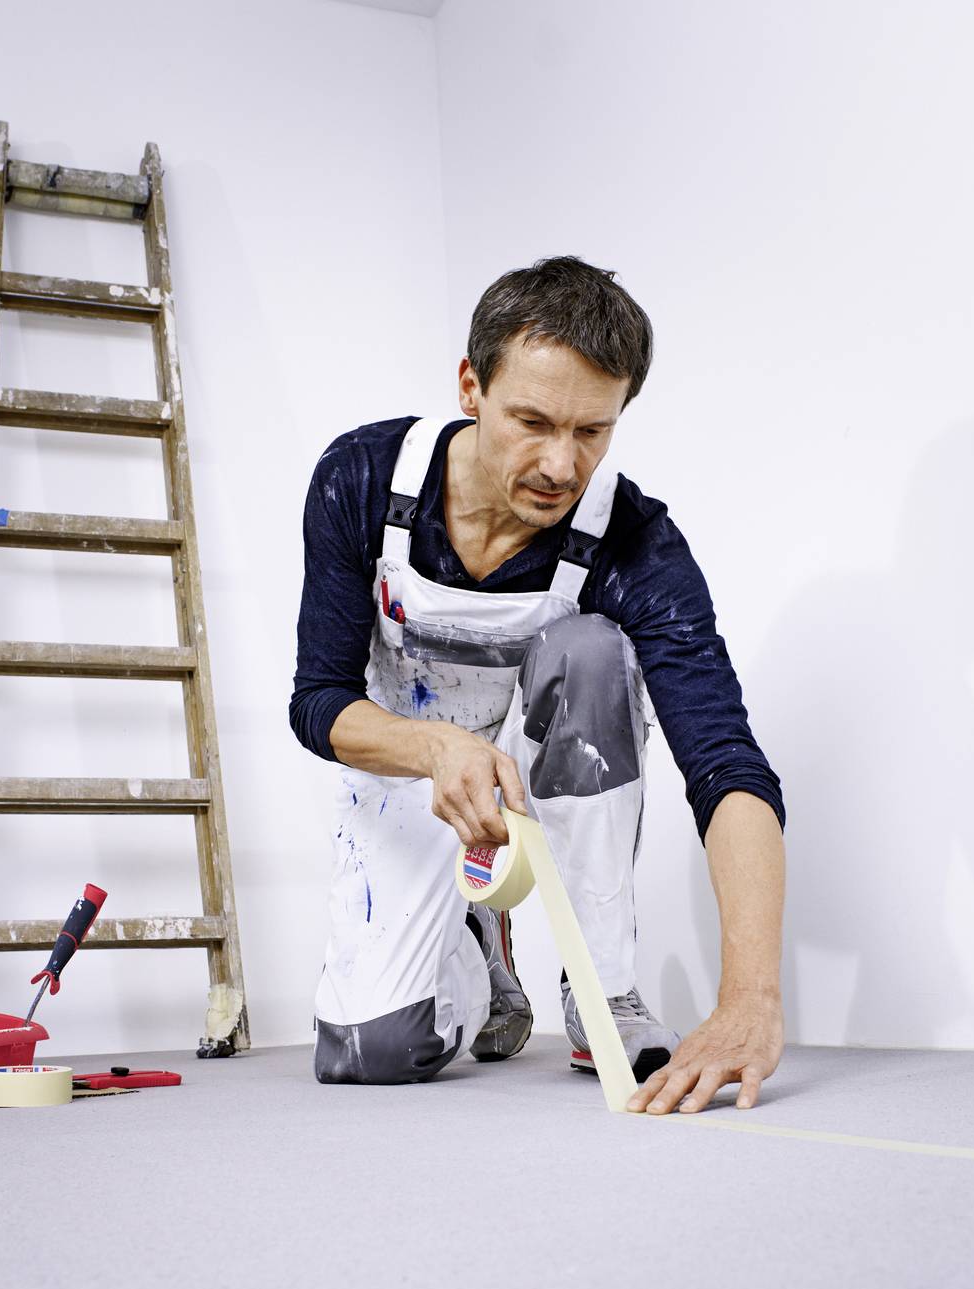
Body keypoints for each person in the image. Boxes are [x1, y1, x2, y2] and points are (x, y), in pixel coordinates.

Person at [288, 256, 786, 1114]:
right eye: (532, 421)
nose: (562, 463)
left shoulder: (633, 541)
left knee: (594, 648)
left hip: (543, 766)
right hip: (411, 759)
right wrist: (437, 746)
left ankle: (603, 987)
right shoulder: (365, 480)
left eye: (593, 430)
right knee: (371, 1052)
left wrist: (752, 998)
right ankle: (484, 951)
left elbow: (727, 763)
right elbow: (318, 698)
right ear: (470, 387)